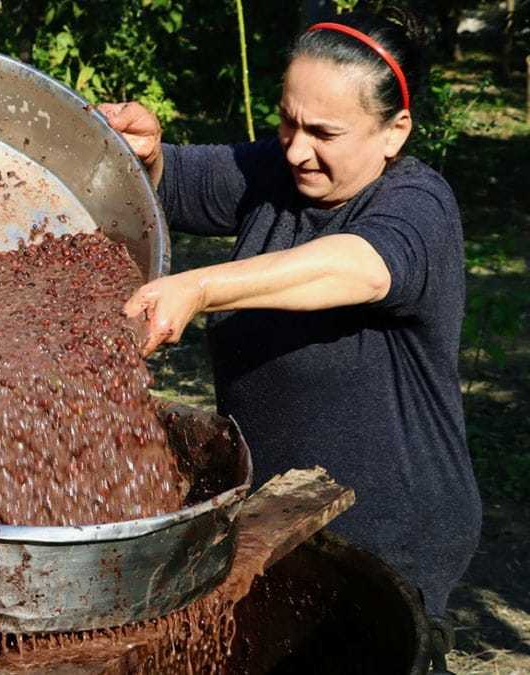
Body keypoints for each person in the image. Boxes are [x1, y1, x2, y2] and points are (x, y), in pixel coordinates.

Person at [100, 9, 480, 668]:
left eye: (325, 132)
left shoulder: (419, 203)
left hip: (385, 541)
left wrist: (199, 287)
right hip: (272, 520)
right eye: (287, 121)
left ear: (394, 133)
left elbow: (357, 266)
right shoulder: (278, 173)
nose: (298, 148)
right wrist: (150, 157)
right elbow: (179, 181)